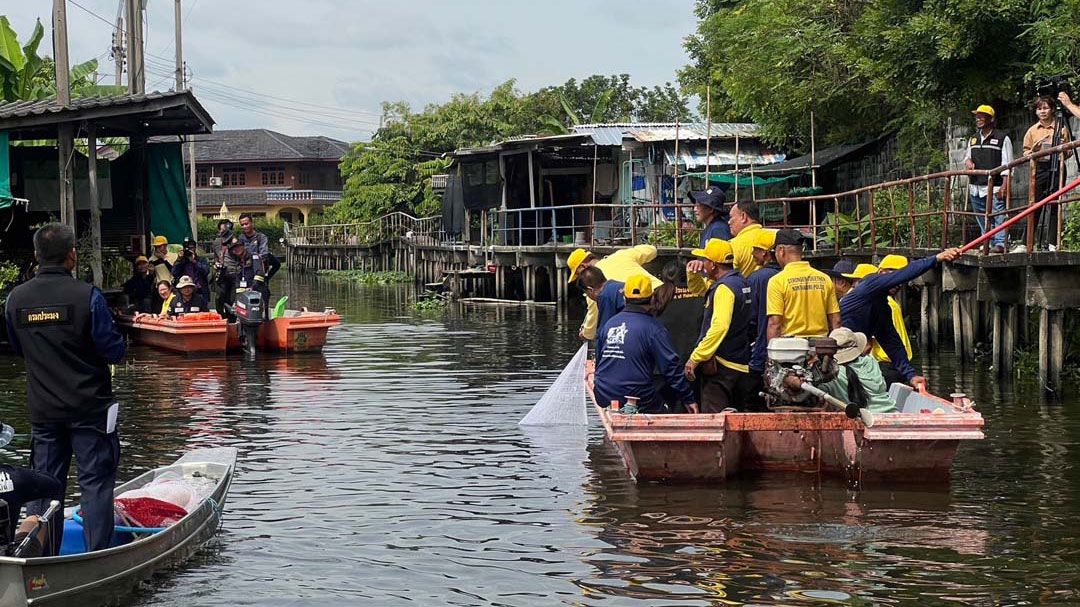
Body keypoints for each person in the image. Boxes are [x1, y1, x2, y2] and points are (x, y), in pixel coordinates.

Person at [4, 223, 125, 555]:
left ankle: (40, 559)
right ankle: (97, 557)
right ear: (72, 256)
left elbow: (18, 346)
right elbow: (113, 350)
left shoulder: (15, 300)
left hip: (44, 413)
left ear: (36, 257)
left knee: (43, 487)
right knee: (96, 483)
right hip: (90, 410)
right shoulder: (88, 297)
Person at [840, 249, 960, 391]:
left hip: (852, 358)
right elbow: (904, 274)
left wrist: (911, 375)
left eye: (901, 280)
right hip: (836, 354)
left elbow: (892, 342)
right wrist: (936, 258)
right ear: (880, 273)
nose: (898, 283)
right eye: (893, 274)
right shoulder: (870, 283)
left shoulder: (883, 307)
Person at [593, 275, 699, 414]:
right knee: (666, 408)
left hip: (603, 392)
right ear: (652, 298)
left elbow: (599, 361)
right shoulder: (654, 329)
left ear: (624, 298)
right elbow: (670, 368)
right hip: (639, 396)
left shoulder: (609, 324)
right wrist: (688, 398)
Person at [684, 239, 754, 412]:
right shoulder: (740, 282)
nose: (703, 263)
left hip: (723, 368)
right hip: (740, 363)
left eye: (705, 260)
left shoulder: (724, 289)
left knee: (715, 422)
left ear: (713, 265)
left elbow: (719, 327)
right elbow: (700, 290)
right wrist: (692, 274)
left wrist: (696, 357)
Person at [567, 245, 662, 341]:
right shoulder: (621, 255)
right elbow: (652, 250)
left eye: (578, 274)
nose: (580, 278)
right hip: (664, 293)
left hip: (645, 308)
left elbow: (593, 319)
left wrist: (586, 334)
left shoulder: (595, 288)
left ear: (583, 266)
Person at [765, 229, 841, 342]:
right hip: (821, 347)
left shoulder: (777, 281)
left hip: (791, 347)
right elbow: (836, 320)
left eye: (775, 251)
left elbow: (774, 323)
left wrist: (771, 351)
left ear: (781, 251)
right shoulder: (824, 279)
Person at [963, 104, 1012, 253]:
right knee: (981, 216)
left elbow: (1007, 164)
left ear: (991, 118)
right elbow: (967, 157)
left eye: (982, 116)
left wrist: (1005, 185)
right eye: (977, 116)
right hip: (976, 185)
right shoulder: (973, 139)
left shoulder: (1002, 138)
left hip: (995, 184)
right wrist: (968, 162)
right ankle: (988, 242)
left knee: (998, 214)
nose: (978, 119)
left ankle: (1001, 243)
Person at [1023, 96, 1067, 250]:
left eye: (1046, 108)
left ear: (1052, 109)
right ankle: (1026, 242)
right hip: (1039, 168)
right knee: (1034, 205)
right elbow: (1025, 152)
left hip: (1057, 166)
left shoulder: (1061, 128)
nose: (1043, 111)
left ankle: (1053, 242)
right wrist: (1033, 152)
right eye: (1039, 108)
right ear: (1036, 111)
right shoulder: (1032, 130)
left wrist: (1063, 148)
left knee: (1055, 204)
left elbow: (1069, 153)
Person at [820, 328, 897, 414]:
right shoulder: (870, 361)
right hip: (891, 413)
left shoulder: (831, 374)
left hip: (859, 419)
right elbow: (882, 387)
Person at [866, 255, 916, 387]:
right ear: (881, 273)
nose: (899, 283)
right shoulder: (885, 304)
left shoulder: (888, 303)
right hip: (889, 364)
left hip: (893, 364)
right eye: (895, 277)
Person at [746, 229, 780, 404]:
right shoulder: (785, 276)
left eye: (755, 250)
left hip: (761, 352)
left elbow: (749, 316)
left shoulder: (756, 278)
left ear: (765, 253)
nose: (752, 254)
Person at [238, 214, 271, 318]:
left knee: (263, 295)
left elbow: (264, 255)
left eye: (246, 223)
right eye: (242, 225)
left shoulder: (261, 237)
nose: (244, 226)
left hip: (258, 271)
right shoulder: (240, 238)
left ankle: (265, 318)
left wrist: (252, 258)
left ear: (251, 223)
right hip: (245, 272)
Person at [576, 266, 624, 339]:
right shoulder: (619, 285)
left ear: (590, 290)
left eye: (586, 294)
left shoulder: (604, 296)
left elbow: (604, 330)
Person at [727, 200, 765, 277]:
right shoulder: (775, 236)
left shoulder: (732, 245)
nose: (728, 222)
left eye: (731, 217)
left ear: (743, 217)